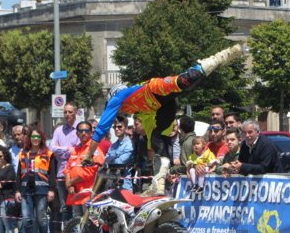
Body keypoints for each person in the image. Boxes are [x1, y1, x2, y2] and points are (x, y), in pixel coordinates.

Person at [84, 43, 246, 196]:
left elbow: (101, 128)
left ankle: (219, 57)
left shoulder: (117, 97)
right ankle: (159, 183)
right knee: (157, 139)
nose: (122, 112)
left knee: (185, 80)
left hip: (154, 89)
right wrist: (152, 150)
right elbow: (149, 131)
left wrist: (88, 155)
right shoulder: (139, 111)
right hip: (163, 106)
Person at [15, 127, 57, 233]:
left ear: (41, 138)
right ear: (29, 138)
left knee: (41, 218)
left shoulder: (48, 154)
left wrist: (51, 189)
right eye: (33, 137)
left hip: (42, 189)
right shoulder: (23, 153)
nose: (35, 139)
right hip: (26, 189)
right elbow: (18, 173)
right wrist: (17, 190)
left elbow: (52, 174)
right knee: (27, 218)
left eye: (38, 137)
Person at [64, 121, 105, 214]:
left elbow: (90, 171)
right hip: (74, 193)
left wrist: (70, 182)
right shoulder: (75, 149)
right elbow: (67, 168)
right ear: (77, 133)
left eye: (86, 131)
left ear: (91, 133)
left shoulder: (94, 149)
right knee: (76, 223)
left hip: (88, 194)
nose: (83, 133)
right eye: (81, 131)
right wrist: (69, 185)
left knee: (90, 222)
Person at [49, 103, 80, 224]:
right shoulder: (58, 130)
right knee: (65, 207)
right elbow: (52, 148)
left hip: (76, 174)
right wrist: (67, 149)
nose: (67, 114)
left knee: (77, 207)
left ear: (75, 113)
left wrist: (60, 150)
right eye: (65, 112)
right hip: (62, 173)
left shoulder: (80, 129)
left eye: (70, 112)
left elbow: (77, 151)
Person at [104, 115, 135, 190]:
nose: (116, 129)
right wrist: (113, 157)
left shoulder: (130, 144)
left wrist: (111, 158)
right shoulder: (113, 145)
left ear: (126, 128)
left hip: (124, 186)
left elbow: (118, 163)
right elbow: (106, 160)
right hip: (110, 185)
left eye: (120, 127)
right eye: (115, 127)